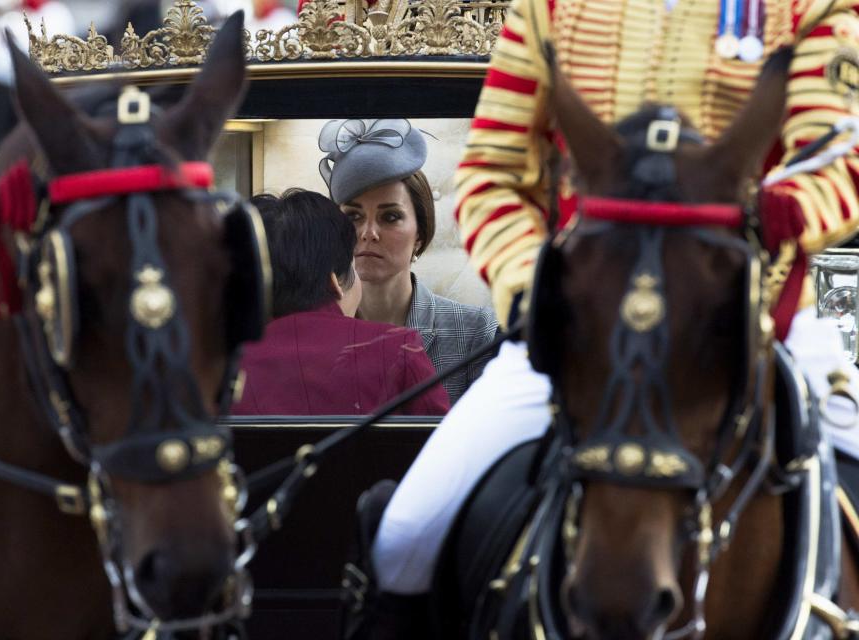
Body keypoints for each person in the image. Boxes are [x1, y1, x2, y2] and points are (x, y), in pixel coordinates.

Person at [361, 0, 859, 628]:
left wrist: (761, 226)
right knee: (404, 538)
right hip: (585, 327)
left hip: (754, 318)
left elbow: (837, 161)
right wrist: (541, 295)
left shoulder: (808, 6)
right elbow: (492, 173)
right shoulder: (548, 8)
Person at [319, 118, 499, 405]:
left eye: (390, 216)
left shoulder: (476, 332)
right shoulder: (315, 336)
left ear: (419, 234)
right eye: (353, 216)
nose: (369, 233)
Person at [231, 189, 450, 416]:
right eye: (353, 267)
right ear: (334, 281)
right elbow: (442, 445)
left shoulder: (222, 365)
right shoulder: (399, 348)